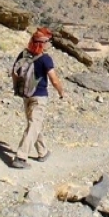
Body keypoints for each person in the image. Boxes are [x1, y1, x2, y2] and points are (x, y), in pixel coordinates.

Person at [11, 27, 66, 169]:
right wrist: (61, 92)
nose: (50, 44)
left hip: (26, 95)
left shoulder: (23, 55)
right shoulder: (45, 59)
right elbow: (54, 79)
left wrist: (17, 88)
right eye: (49, 42)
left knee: (34, 124)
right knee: (34, 125)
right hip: (39, 96)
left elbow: (14, 73)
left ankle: (43, 152)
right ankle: (21, 157)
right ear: (43, 43)